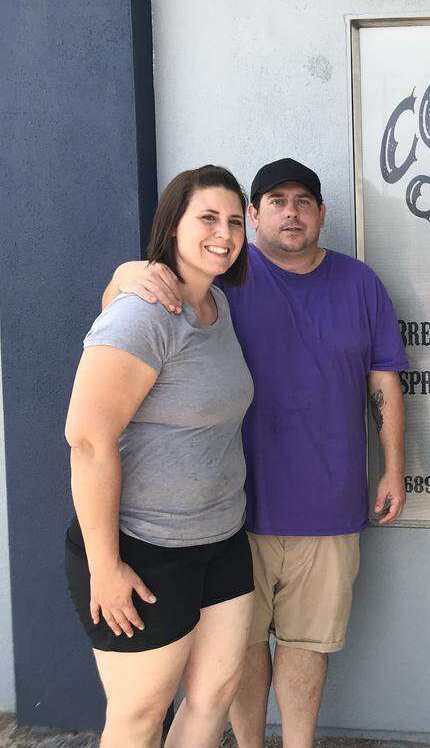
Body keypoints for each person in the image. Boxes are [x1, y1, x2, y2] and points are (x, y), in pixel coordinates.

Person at [104, 157, 410, 748]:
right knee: (238, 651)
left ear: (321, 213)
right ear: (253, 215)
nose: (291, 213)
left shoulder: (360, 283)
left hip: (329, 502)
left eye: (303, 202)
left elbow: (385, 380)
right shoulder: (222, 280)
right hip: (234, 512)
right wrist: (125, 273)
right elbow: (131, 304)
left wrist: (394, 469)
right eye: (276, 202)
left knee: (308, 645)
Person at [65, 165, 255, 747]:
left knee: (214, 697)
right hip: (144, 550)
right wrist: (104, 567)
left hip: (221, 540)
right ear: (173, 224)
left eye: (234, 221)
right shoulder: (142, 312)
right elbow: (88, 440)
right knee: (141, 715)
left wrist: (120, 276)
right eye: (208, 218)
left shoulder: (215, 305)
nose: (224, 233)